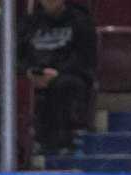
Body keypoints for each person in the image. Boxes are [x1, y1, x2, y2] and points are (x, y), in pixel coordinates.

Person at [18, 0, 95, 154]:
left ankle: (59, 142)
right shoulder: (29, 23)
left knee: (65, 85)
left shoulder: (80, 21)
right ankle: (19, 143)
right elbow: (16, 55)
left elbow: (85, 57)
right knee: (12, 86)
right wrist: (28, 72)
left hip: (68, 75)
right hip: (33, 76)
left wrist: (58, 72)